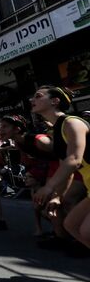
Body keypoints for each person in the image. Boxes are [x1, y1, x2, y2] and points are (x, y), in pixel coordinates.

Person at [33, 86, 90, 250]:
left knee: (85, 231)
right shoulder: (57, 131)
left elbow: (74, 159)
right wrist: (58, 196)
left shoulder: (72, 122)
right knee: (71, 225)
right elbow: (66, 169)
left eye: (38, 96)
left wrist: (48, 187)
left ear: (55, 101)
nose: (32, 100)